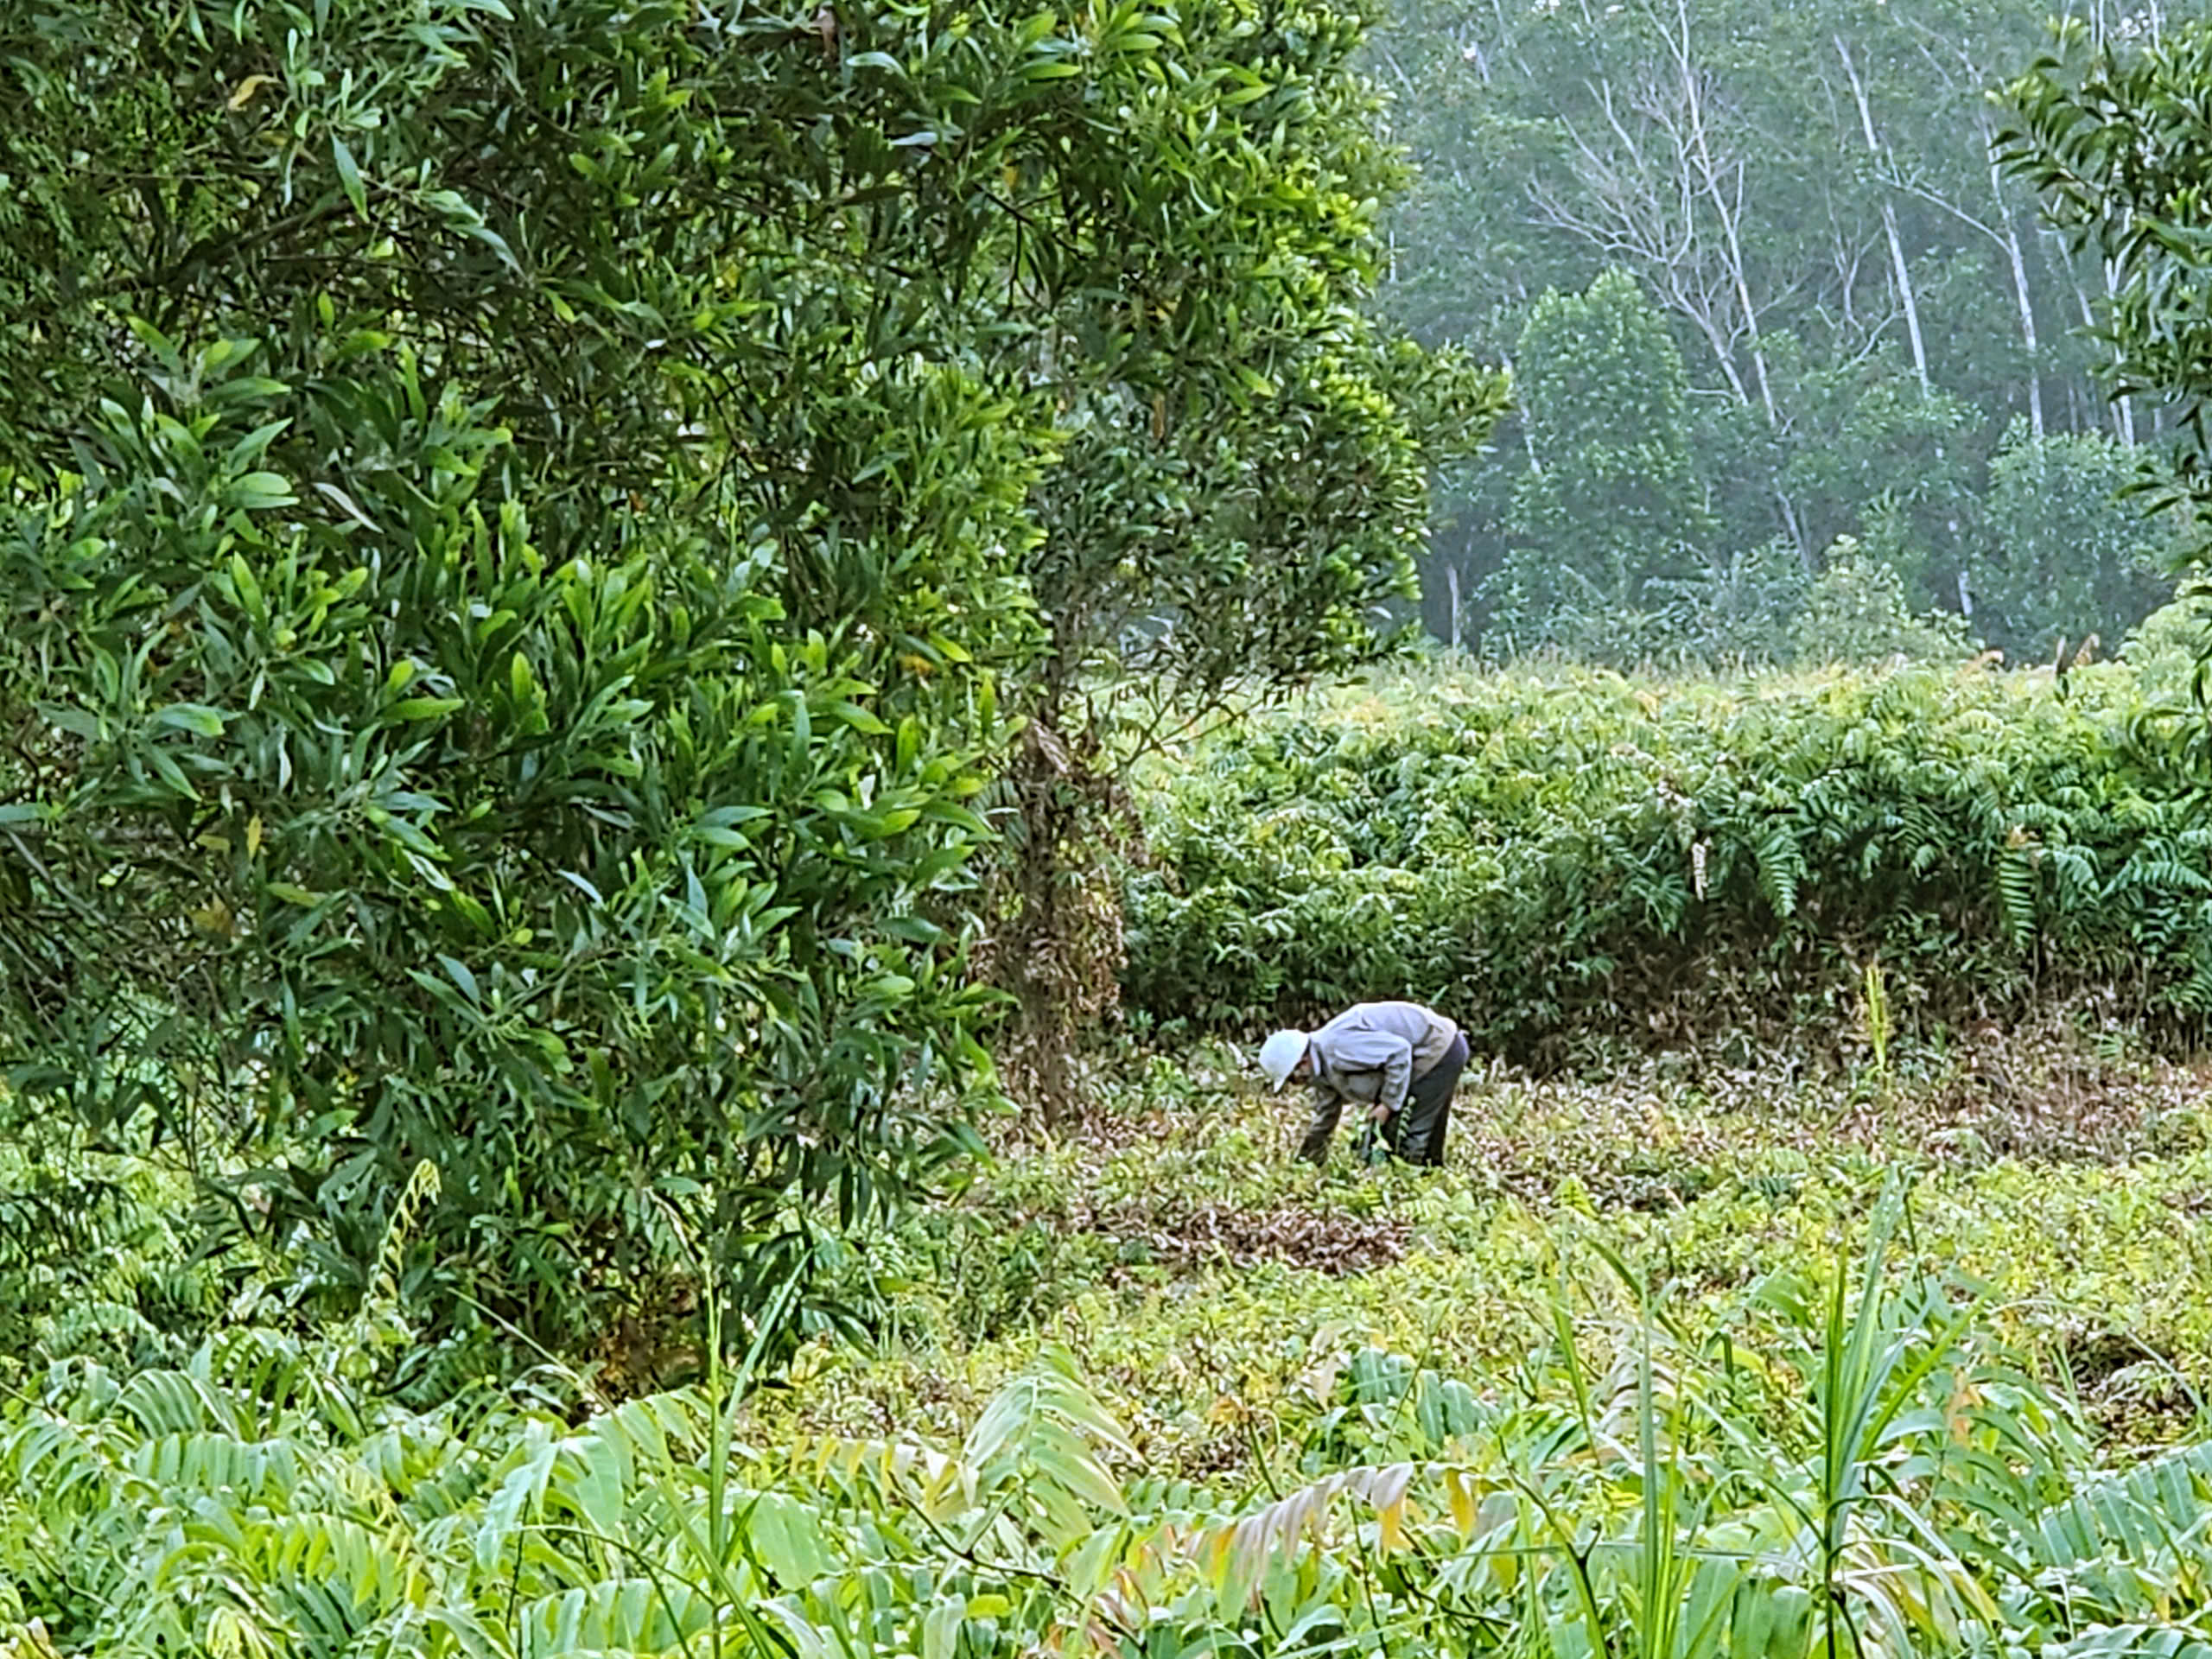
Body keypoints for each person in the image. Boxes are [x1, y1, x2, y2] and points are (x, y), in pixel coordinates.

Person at [1257, 1001, 1469, 1167]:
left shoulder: (1337, 1045)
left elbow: (1399, 1052)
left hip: (1437, 1049)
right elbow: (1326, 1117)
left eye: (1293, 1079)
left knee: (1404, 1135)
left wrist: (1387, 1105)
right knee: (1391, 1139)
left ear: (1302, 1063)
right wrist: (1306, 1161)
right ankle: (1428, 1182)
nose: (1297, 1085)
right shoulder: (1322, 1067)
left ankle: (1407, 1194)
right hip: (1425, 1056)